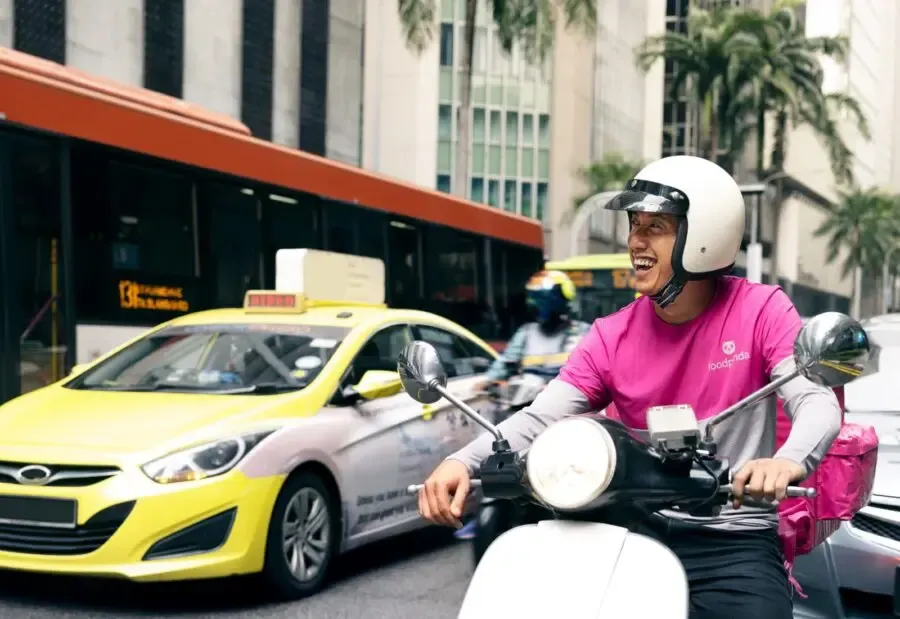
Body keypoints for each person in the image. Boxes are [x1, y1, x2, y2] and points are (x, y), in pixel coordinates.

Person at [418, 155, 842, 618]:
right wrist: (464, 460)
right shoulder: (610, 334)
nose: (635, 242)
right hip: (633, 529)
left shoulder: (761, 310)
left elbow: (815, 400)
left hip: (733, 538)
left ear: (705, 235)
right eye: (633, 225)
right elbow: (543, 416)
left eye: (655, 227)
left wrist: (784, 463)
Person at [453, 269, 589, 540]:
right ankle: (485, 508)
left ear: (562, 300)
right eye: (536, 299)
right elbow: (505, 364)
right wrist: (489, 381)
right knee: (494, 448)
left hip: (564, 417)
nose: (540, 305)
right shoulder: (526, 333)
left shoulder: (581, 333)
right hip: (523, 408)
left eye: (546, 298)